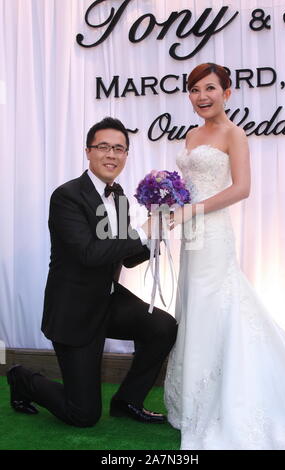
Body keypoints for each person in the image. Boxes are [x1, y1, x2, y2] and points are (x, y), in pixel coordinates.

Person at [7, 117, 177, 427]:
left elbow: (125, 259)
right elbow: (88, 254)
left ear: (126, 155)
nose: (111, 154)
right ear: (88, 151)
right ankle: (22, 378)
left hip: (108, 300)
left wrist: (156, 235)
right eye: (103, 147)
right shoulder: (67, 196)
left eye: (119, 148)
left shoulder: (121, 196)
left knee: (163, 326)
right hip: (74, 310)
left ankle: (128, 401)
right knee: (83, 415)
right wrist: (141, 232)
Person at [164, 63, 285, 450]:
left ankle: (216, 401)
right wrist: (170, 201)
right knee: (193, 306)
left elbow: (242, 189)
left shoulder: (234, 134)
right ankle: (191, 399)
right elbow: (188, 185)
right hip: (190, 233)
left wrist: (191, 210)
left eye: (209, 88)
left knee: (214, 305)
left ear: (228, 92)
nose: (201, 96)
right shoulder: (192, 134)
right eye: (194, 90)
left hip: (213, 232)